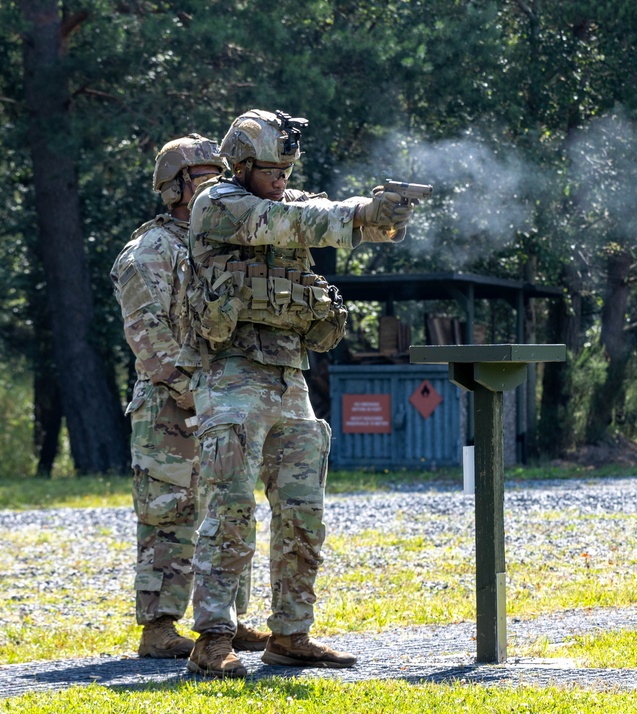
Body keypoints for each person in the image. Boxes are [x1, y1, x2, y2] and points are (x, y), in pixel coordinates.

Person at [179, 109, 413, 678]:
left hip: (289, 376)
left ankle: (291, 635)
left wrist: (385, 216)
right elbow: (290, 224)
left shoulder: (285, 199)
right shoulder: (218, 203)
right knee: (231, 510)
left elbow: (326, 218)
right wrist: (356, 212)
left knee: (303, 512)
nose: (281, 180)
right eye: (270, 170)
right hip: (232, 375)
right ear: (240, 164)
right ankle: (211, 641)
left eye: (287, 170)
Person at [110, 134, 271, 659]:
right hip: (170, 407)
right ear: (174, 187)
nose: (215, 185)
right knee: (169, 512)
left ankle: (225, 617)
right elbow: (149, 339)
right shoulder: (148, 253)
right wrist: (197, 392)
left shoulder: (224, 241)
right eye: (202, 176)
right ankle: (158, 626)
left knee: (230, 508)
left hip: (224, 400)